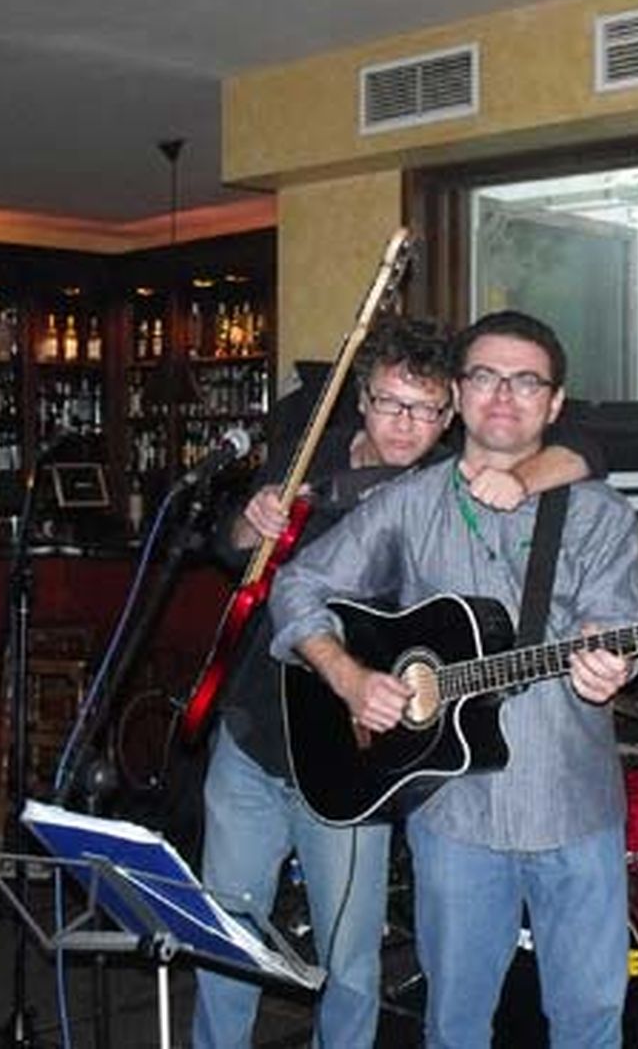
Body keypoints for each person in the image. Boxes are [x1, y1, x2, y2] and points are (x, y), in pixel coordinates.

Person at [192, 314, 600, 1049]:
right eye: (390, 403)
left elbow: (586, 447)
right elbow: (226, 546)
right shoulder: (302, 452)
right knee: (223, 939)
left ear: (450, 414)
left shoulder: (446, 495)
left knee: (348, 966)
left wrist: (521, 475)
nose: (407, 424)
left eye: (427, 408)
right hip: (254, 734)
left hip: (352, 765)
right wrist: (253, 524)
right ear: (362, 399)